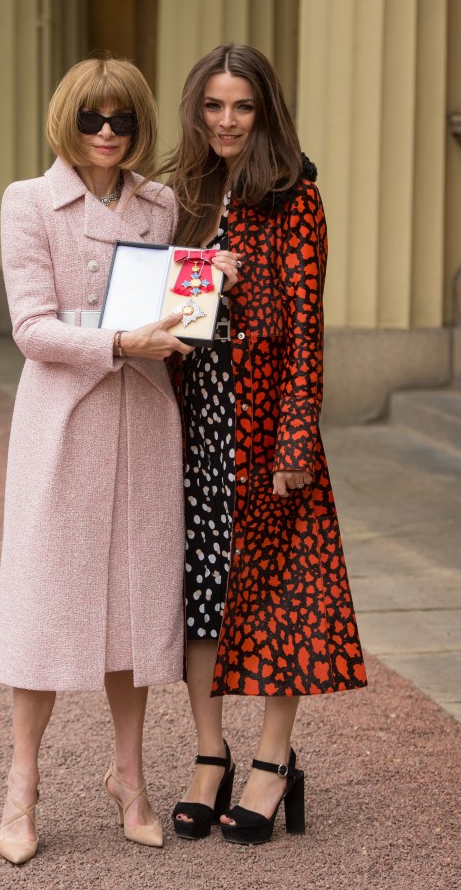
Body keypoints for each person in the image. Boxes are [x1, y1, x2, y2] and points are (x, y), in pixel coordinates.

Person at [0, 56, 198, 863]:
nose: (107, 134)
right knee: (45, 600)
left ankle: (130, 778)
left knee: (138, 603)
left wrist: (205, 289)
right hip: (64, 421)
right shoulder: (29, 201)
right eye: (91, 119)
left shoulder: (161, 203)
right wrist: (118, 340)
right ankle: (21, 784)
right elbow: (32, 329)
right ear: (67, 120)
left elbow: (166, 307)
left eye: (121, 121)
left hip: (144, 419)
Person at [162, 43, 368, 845]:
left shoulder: (295, 197)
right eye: (213, 106)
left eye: (240, 106)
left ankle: (274, 762)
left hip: (264, 429)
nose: (225, 121)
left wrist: (293, 445)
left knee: (285, 595)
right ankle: (209, 754)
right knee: (201, 596)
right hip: (194, 422)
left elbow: (305, 331)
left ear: (265, 111)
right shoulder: (184, 192)